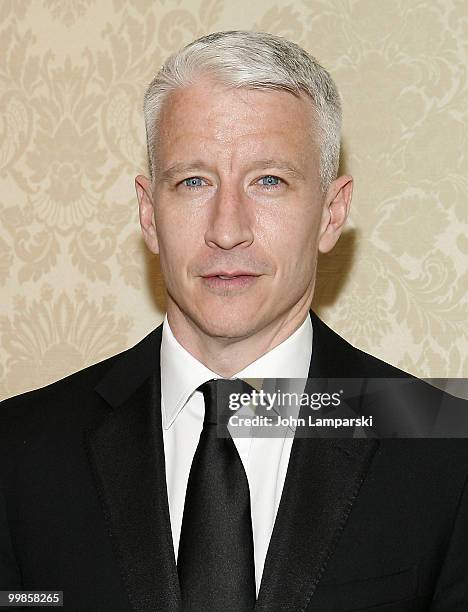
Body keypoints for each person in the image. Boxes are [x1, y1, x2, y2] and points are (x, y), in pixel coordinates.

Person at [1, 30, 467, 612]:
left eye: (268, 181)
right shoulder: (18, 451)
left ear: (331, 212)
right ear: (149, 214)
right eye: (193, 181)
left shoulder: (448, 447)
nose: (227, 229)